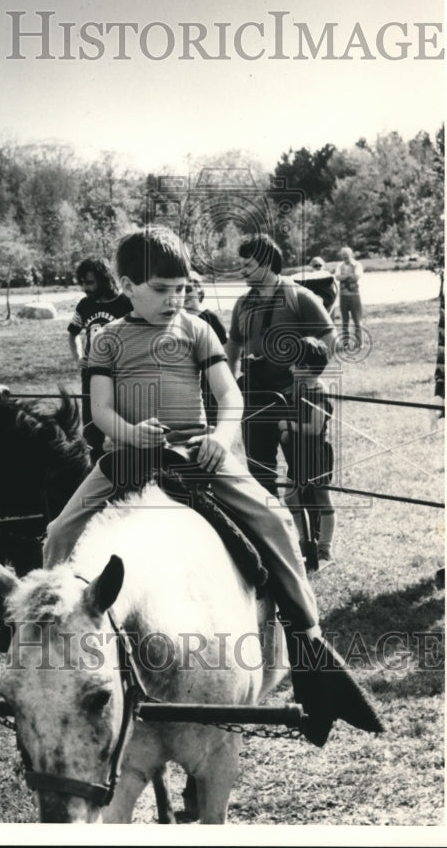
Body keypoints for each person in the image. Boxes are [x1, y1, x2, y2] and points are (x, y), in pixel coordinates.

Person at [44, 226, 382, 747]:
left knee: (275, 518)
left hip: (197, 452)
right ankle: (51, 645)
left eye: (180, 288)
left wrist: (222, 440)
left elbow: (230, 398)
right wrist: (131, 434)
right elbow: (101, 410)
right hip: (128, 458)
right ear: (127, 284)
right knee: (59, 532)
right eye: (161, 289)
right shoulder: (107, 339)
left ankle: (308, 640)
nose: (173, 298)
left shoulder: (197, 329)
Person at [224, 234, 336, 500]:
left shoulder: (300, 297)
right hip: (256, 399)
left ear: (265, 263)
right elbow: (233, 348)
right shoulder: (243, 303)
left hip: (294, 399)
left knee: (304, 475)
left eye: (248, 264)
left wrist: (306, 378)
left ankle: (312, 539)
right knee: (259, 474)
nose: (242, 270)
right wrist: (228, 386)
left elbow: (330, 342)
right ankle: (271, 533)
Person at [278, 336, 337, 569]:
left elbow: (314, 428)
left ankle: (325, 550)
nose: (290, 368)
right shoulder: (299, 390)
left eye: (294, 364)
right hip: (299, 454)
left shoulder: (319, 394)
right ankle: (305, 542)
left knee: (322, 499)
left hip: (316, 455)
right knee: (292, 495)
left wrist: (287, 426)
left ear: (305, 368)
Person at [67, 257, 132, 462]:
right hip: (91, 373)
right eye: (83, 283)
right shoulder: (85, 305)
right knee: (91, 426)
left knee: (122, 422)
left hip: (120, 374)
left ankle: (126, 464)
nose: (86, 288)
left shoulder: (125, 303)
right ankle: (94, 465)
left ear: (104, 279)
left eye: (90, 282)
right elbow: (73, 333)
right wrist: (79, 357)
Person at [183, 269, 227, 427]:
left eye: (189, 289)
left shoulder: (210, 318)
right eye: (180, 290)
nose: (185, 295)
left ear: (199, 290)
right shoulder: (177, 322)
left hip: (210, 386)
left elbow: (226, 353)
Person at [335, 246, 364, 346]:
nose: (345, 258)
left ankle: (359, 343)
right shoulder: (339, 265)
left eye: (347, 256)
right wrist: (348, 276)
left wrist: (344, 277)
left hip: (354, 295)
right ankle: (346, 343)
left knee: (357, 320)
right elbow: (337, 277)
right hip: (343, 296)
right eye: (343, 256)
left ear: (351, 255)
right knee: (345, 321)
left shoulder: (357, 265)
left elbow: (356, 278)